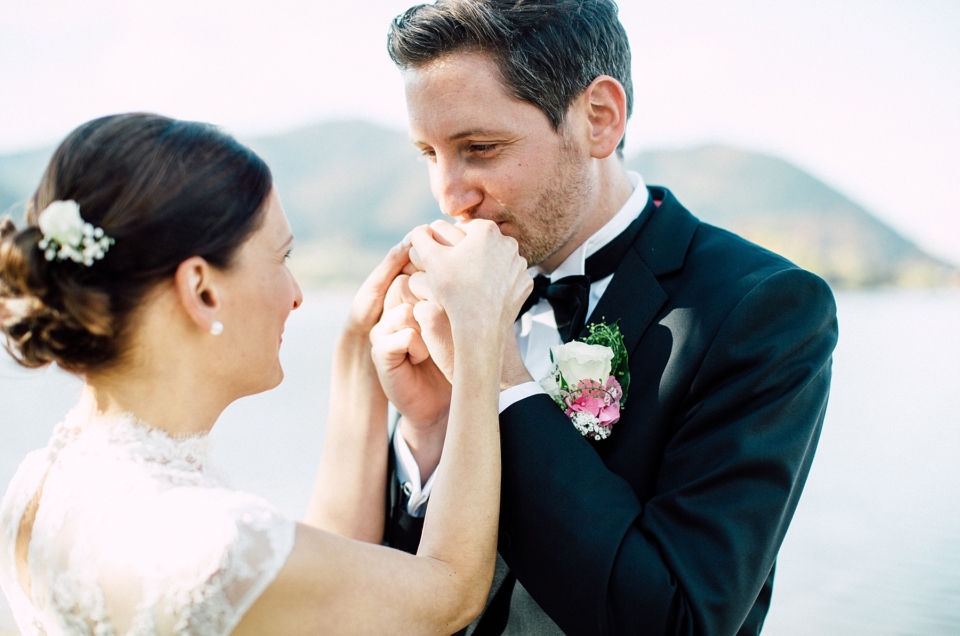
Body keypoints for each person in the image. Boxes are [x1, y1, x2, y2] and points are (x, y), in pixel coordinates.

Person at [375, 1, 840, 634]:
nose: (449, 195)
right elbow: (400, 591)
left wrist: (498, 374)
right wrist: (427, 435)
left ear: (599, 118)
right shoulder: (456, 291)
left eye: (479, 148)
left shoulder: (762, 309)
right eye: (429, 153)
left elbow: (679, 619)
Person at [0, 112, 532, 635]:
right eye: (281, 258)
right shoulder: (213, 541)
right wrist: (480, 335)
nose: (297, 294)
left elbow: (298, 584)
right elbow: (448, 592)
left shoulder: (38, 490)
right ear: (203, 292)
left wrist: (357, 351)